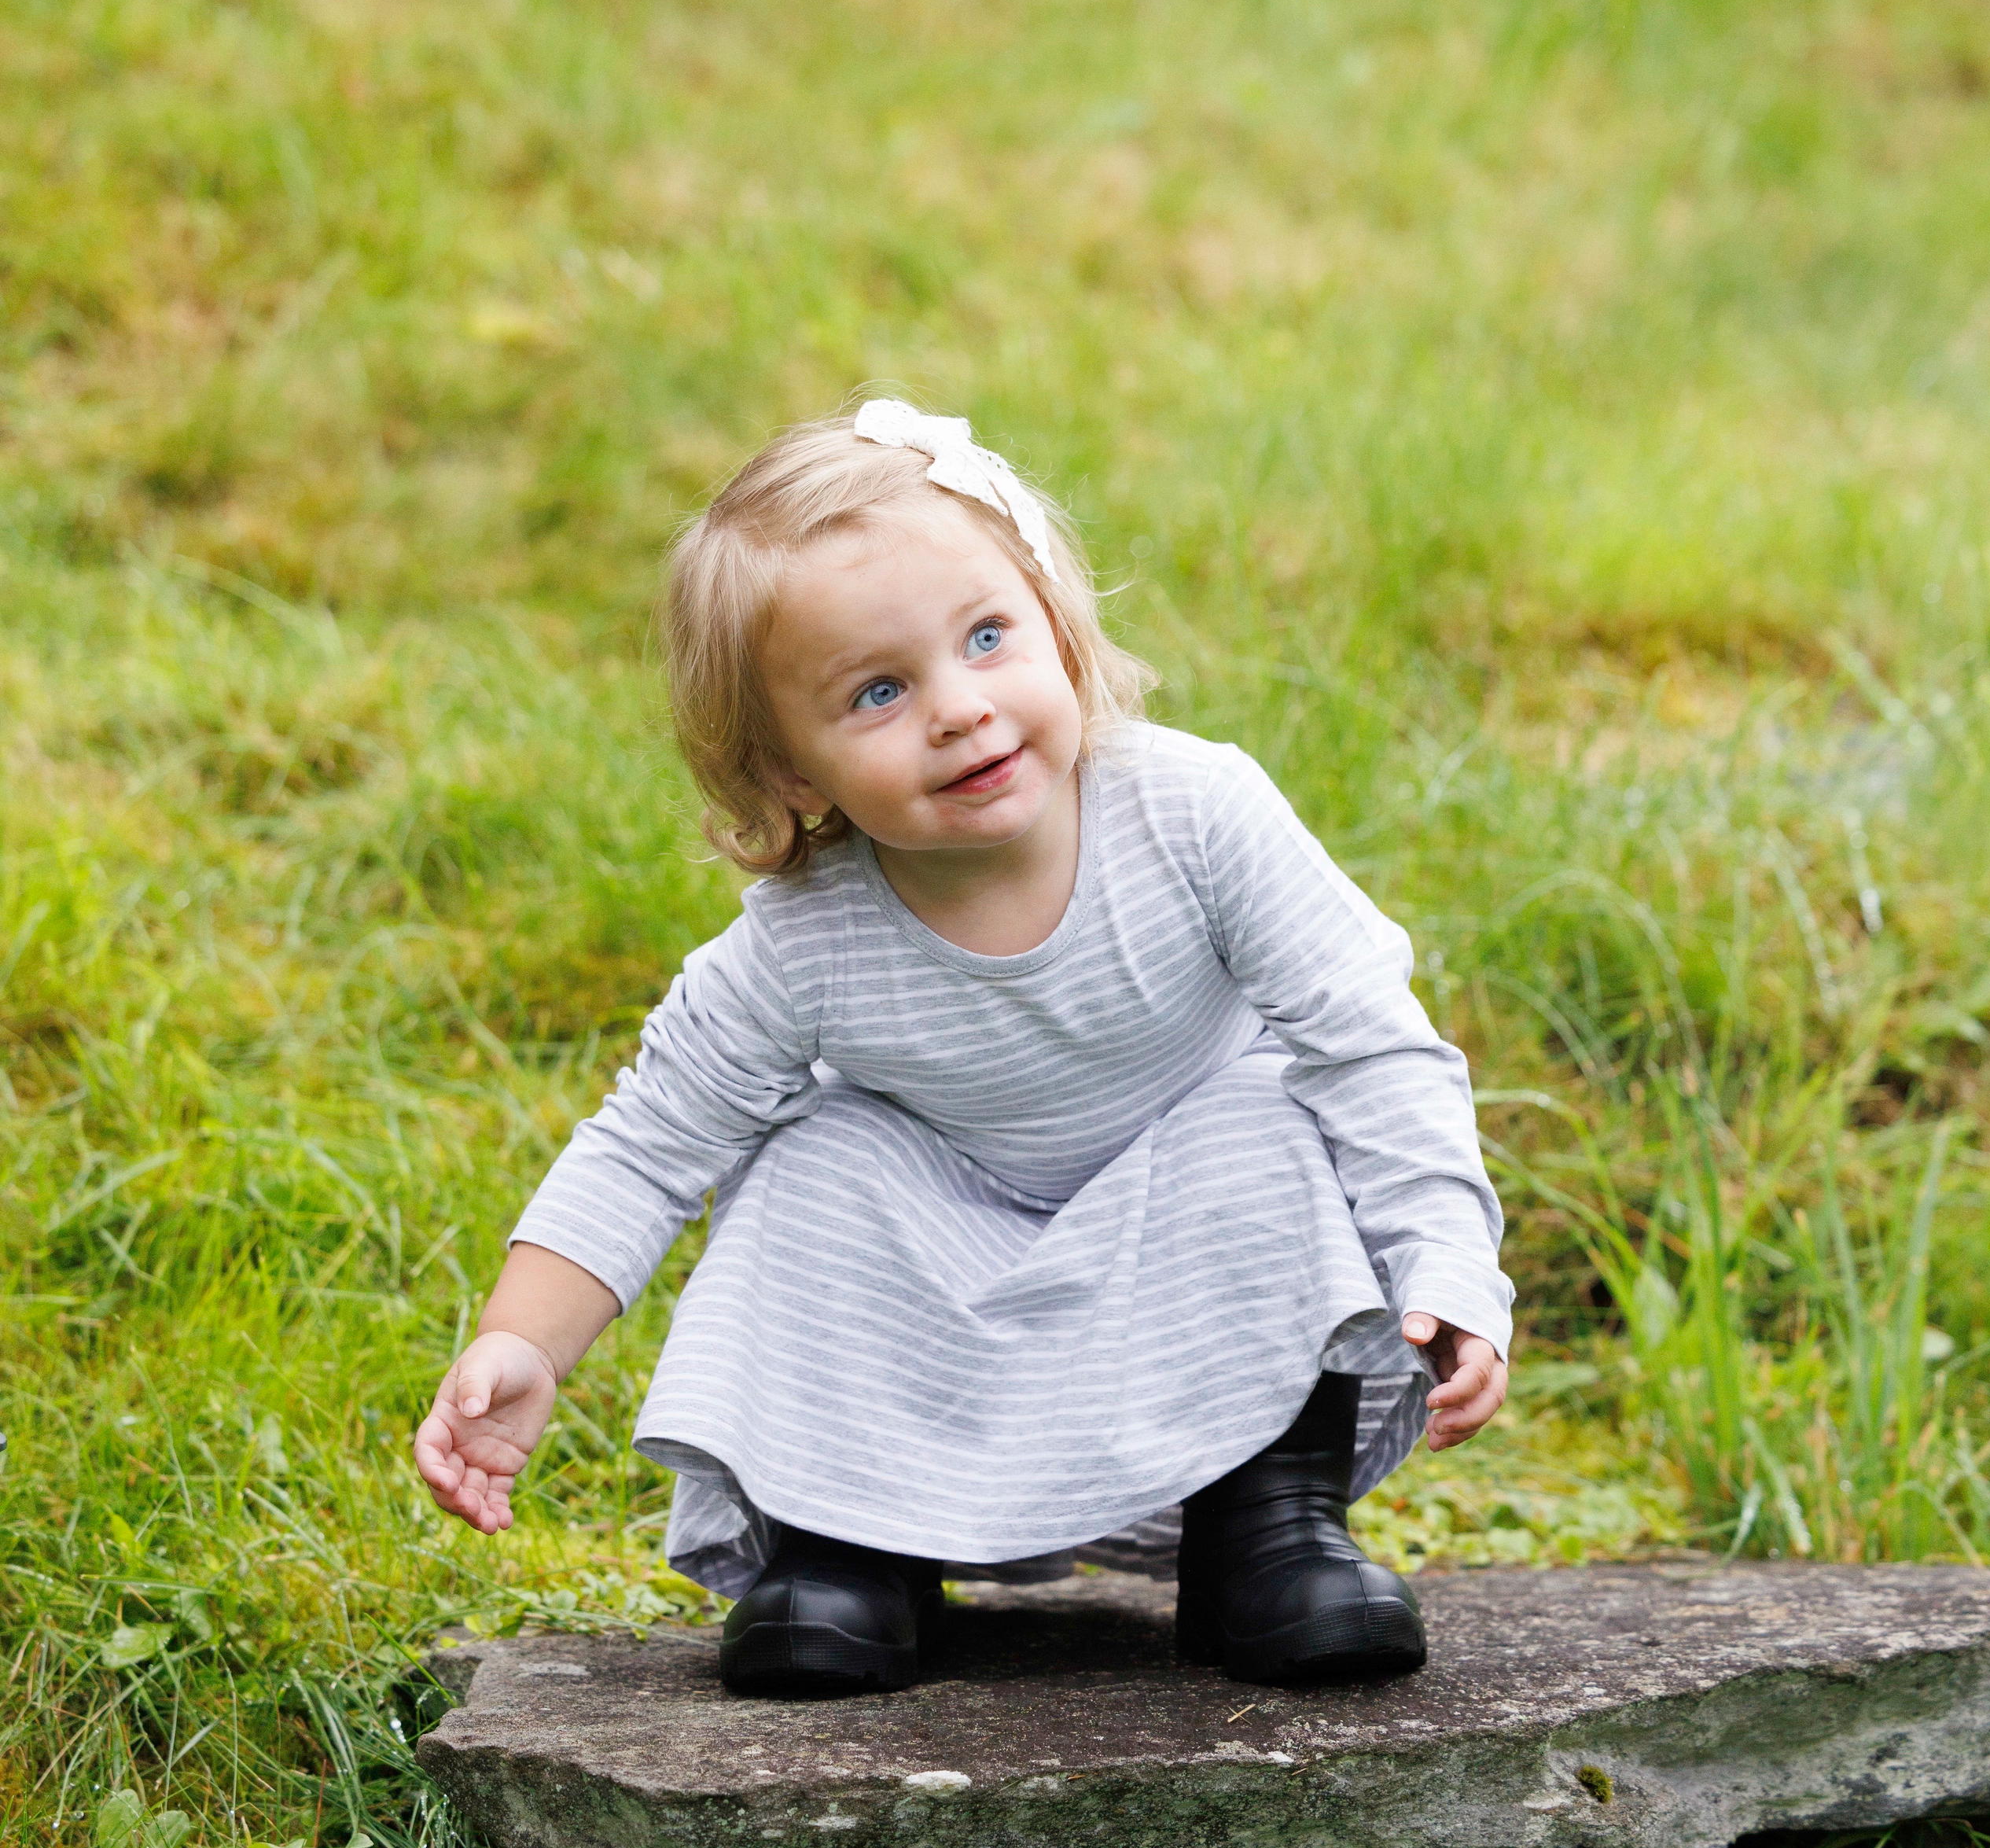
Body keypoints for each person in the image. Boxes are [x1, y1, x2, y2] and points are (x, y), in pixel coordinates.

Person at [413, 399, 1513, 1697]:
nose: (960, 709)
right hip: (945, 1276)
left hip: (1194, 1255)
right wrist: (524, 1343)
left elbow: (1371, 1046)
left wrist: (1446, 1258)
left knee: (1276, 1109)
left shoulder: (1196, 816)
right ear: (794, 775)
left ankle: (1263, 1528)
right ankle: (849, 1548)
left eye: (988, 638)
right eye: (877, 692)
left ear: (1058, 623)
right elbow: (651, 1143)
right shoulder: (806, 941)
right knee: (815, 1154)